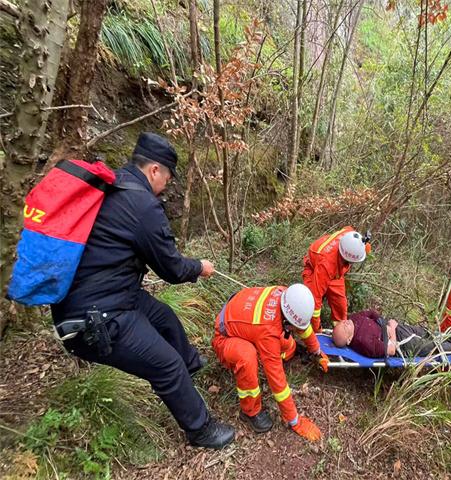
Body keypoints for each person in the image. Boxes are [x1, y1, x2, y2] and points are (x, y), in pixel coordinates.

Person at [51, 132, 235, 449]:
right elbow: (173, 269)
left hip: (109, 296)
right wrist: (200, 267)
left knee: (163, 317)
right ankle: (200, 429)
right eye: (167, 177)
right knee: (166, 365)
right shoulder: (142, 204)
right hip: (97, 319)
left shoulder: (115, 184)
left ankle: (192, 366)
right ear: (154, 170)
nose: (167, 185)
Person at [212, 284, 327, 441]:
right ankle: (250, 411)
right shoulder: (267, 333)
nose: (296, 328)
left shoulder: (287, 295)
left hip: (241, 318)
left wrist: (317, 351)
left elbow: (303, 326)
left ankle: (282, 350)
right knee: (247, 357)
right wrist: (295, 421)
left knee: (287, 344)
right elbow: (277, 381)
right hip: (224, 337)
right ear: (287, 319)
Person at [302, 226, 371, 332]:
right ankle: (307, 328)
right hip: (314, 268)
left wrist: (365, 248)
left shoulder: (350, 235)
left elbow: (359, 242)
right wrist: (316, 329)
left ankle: (340, 330)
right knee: (308, 302)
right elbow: (316, 298)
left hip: (336, 272)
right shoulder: (326, 265)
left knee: (340, 305)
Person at [332, 310, 451, 358]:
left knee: (429, 334)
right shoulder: (364, 343)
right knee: (434, 347)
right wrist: (391, 329)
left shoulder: (354, 318)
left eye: (341, 323)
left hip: (398, 328)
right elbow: (391, 350)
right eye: (344, 328)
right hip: (404, 344)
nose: (345, 323)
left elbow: (371, 313)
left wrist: (382, 321)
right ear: (349, 340)